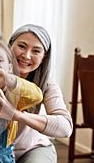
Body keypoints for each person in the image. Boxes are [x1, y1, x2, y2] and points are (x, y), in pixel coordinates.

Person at [7, 24, 73, 163]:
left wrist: (19, 115)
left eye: (36, 51)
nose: (26, 55)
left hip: (32, 148)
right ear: (9, 46)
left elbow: (65, 127)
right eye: (22, 46)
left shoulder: (47, 84)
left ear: (44, 57)